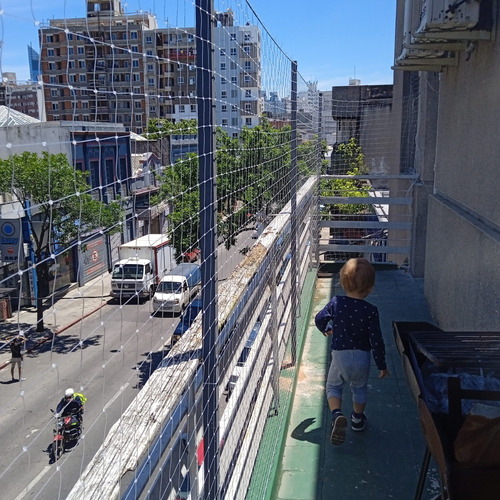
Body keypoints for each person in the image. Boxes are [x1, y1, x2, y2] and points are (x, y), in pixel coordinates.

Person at [315, 258, 390, 446]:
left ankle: (337, 415)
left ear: (342, 282)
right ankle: (357, 418)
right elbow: (376, 340)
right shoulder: (371, 311)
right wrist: (382, 365)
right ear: (370, 288)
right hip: (362, 358)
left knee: (333, 386)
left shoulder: (337, 302)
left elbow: (319, 318)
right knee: (359, 388)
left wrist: (326, 328)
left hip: (340, 356)